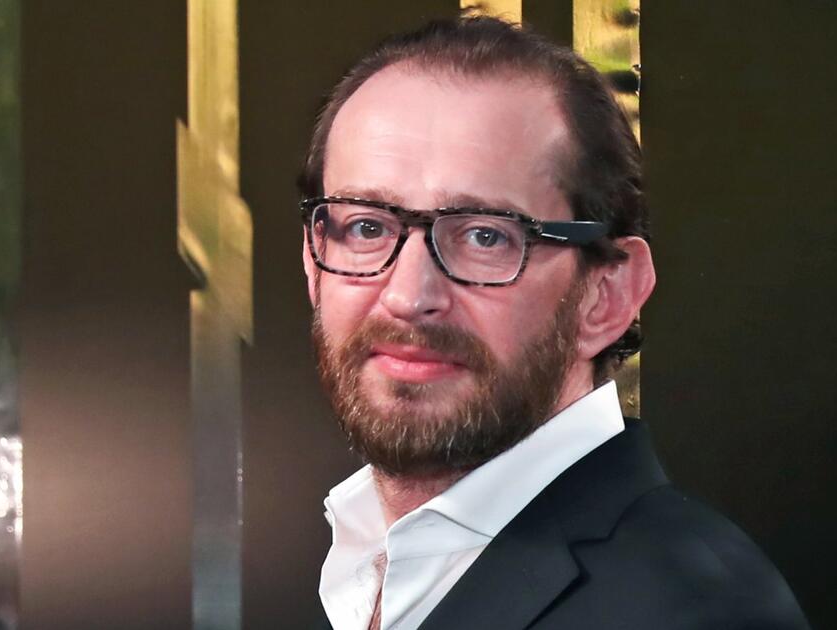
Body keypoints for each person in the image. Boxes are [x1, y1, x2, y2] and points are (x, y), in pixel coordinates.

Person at [298, 16, 809, 630]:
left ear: (607, 295)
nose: (408, 296)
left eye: (485, 236)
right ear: (313, 263)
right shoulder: (363, 557)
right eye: (366, 227)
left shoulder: (694, 612)